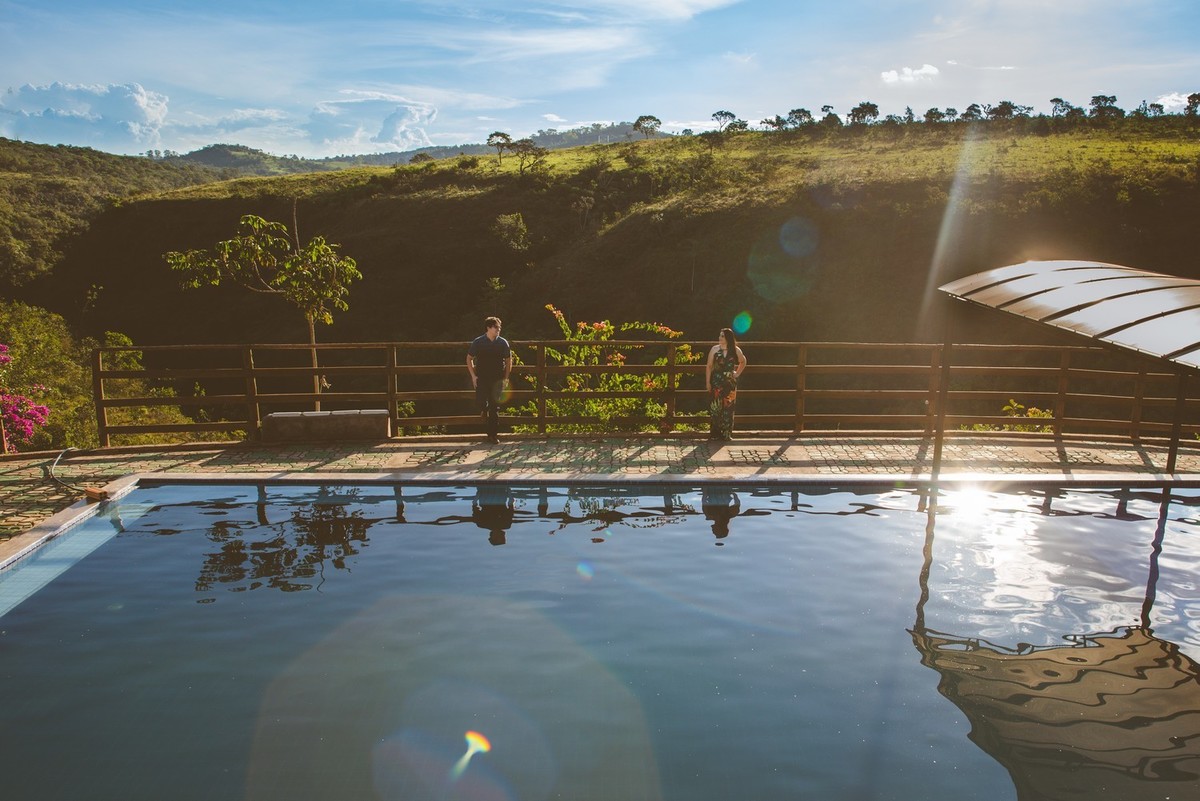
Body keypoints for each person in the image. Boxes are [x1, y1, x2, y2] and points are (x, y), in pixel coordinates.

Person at [466, 316, 512, 444]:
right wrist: (473, 376)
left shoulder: (503, 343)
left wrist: (506, 378)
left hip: (497, 378)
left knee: (495, 407)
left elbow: (508, 361)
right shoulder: (478, 342)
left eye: (499, 327)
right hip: (482, 377)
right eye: (496, 327)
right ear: (488, 328)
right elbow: (469, 358)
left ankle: (492, 435)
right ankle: (483, 409)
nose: (499, 329)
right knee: (480, 402)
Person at [705, 327, 747, 441]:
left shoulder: (735, 350)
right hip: (716, 380)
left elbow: (743, 361)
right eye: (719, 335)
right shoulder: (714, 349)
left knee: (728, 407)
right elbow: (709, 366)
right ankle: (715, 434)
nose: (720, 338)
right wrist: (708, 382)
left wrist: (737, 373)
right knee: (716, 407)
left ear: (728, 338)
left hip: (729, 382)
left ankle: (726, 434)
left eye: (722, 336)